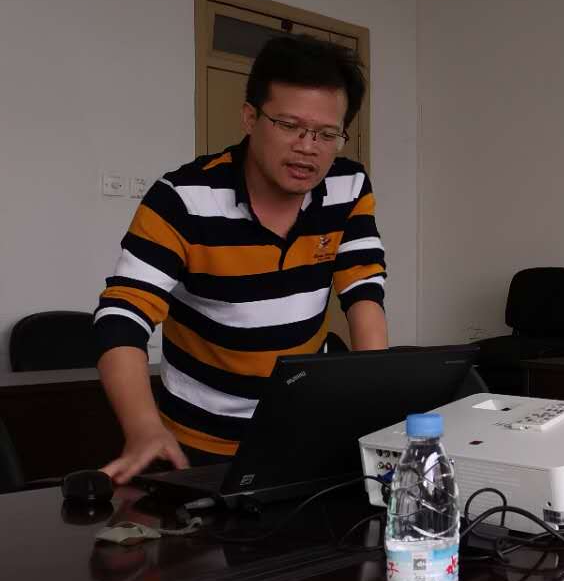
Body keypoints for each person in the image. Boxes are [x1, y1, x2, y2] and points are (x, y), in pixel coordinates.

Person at [93, 35, 387, 482]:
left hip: (302, 428)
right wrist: (142, 427)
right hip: (198, 443)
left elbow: (363, 289)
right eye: (289, 125)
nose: (308, 147)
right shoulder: (183, 199)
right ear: (250, 117)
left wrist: (376, 404)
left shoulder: (348, 186)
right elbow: (122, 316)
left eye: (328, 134)